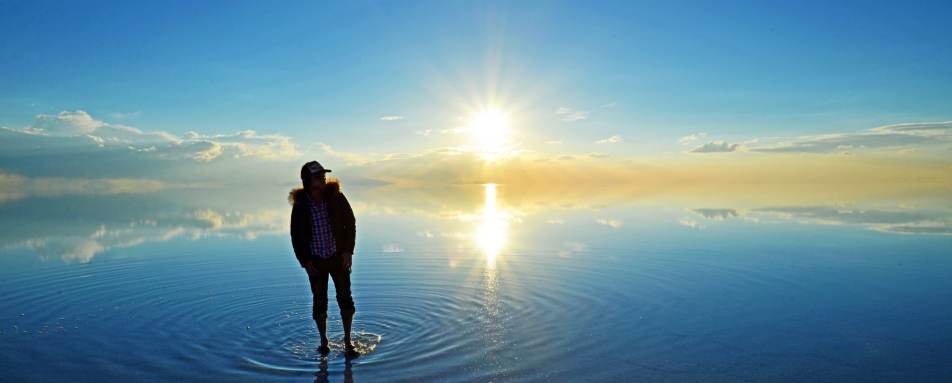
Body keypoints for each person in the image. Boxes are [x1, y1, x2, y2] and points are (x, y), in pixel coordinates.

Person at [289, 160, 357, 354]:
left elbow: (350, 223)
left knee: (346, 299)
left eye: (323, 175)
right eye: (318, 176)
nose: (322, 178)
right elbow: (295, 235)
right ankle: (324, 342)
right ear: (307, 181)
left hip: (338, 258)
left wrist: (347, 252)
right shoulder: (301, 206)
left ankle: (347, 340)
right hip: (315, 262)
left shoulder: (336, 197)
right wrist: (305, 262)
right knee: (319, 302)